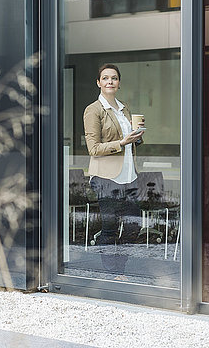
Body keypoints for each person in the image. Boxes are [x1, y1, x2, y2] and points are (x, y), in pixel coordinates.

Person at [83, 63, 145, 280]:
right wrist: (122, 142)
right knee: (110, 227)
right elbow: (94, 148)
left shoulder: (123, 108)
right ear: (99, 83)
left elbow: (130, 142)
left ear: (119, 83)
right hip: (106, 177)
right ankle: (114, 273)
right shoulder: (94, 110)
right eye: (106, 78)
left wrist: (136, 136)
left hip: (129, 176)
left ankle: (117, 265)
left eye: (114, 78)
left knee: (134, 223)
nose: (110, 82)